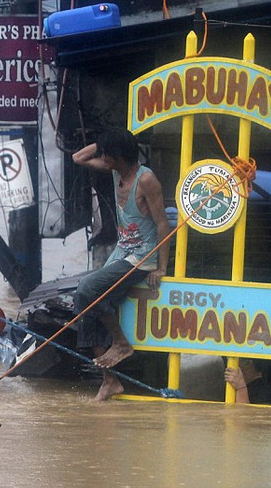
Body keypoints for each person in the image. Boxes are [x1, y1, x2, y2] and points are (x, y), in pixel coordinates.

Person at [71, 130, 171, 400]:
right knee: (85, 304)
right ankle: (110, 380)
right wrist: (105, 141)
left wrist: (161, 268)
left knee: (85, 290)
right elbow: (78, 157)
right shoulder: (115, 169)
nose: (102, 158)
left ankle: (122, 343)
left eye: (107, 154)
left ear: (120, 157)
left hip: (142, 257)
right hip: (122, 252)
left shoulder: (146, 180)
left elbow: (163, 224)